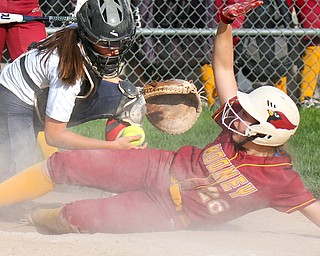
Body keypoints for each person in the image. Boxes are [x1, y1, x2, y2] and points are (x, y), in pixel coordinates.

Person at [0, 0, 319, 234]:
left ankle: (35, 217)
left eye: (244, 114)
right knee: (63, 165)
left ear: (260, 133)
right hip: (162, 165)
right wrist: (224, 23)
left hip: (167, 209)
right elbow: (224, 67)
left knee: (77, 216)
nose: (235, 110)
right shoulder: (238, 128)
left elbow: (314, 211)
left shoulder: (280, 178)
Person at [0, 0, 146, 181]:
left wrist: (147, 101)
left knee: (131, 99)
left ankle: (118, 178)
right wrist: (112, 147)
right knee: (21, 181)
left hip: (42, 94)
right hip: (14, 100)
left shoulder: (84, 35)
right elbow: (54, 135)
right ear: (89, 37)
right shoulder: (67, 68)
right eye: (106, 43)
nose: (114, 51)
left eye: (119, 42)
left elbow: (110, 79)